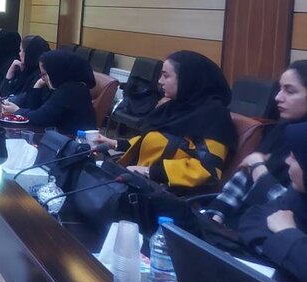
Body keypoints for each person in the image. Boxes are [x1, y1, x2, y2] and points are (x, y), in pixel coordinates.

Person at [96, 51, 236, 192]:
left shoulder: (212, 117)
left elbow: (208, 170)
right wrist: (115, 143)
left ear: (187, 79)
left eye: (166, 76)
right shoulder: (176, 106)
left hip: (168, 192)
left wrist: (150, 172)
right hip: (141, 181)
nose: (160, 81)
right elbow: (157, 138)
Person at [203, 62, 307, 227]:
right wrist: (217, 211)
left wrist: (258, 168)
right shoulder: (283, 128)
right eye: (280, 89)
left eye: (290, 91)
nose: (278, 97)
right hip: (241, 223)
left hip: (272, 233)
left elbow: (293, 209)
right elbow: (244, 175)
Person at [238, 124, 307, 282]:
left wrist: (287, 233)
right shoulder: (298, 195)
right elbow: (251, 220)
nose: (286, 161)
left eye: (295, 158)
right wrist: (291, 253)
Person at [0, 50, 96, 135]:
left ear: (56, 71)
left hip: (75, 141)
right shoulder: (60, 86)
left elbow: (42, 117)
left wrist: (17, 111)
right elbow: (34, 108)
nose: (42, 78)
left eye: (44, 74)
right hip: (61, 138)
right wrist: (37, 87)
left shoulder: (71, 89)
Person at [0, 34, 50, 101]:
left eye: (21, 51)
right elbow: (4, 93)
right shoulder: (24, 70)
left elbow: (13, 100)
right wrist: (10, 71)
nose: (19, 54)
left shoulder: (40, 78)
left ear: (29, 53)